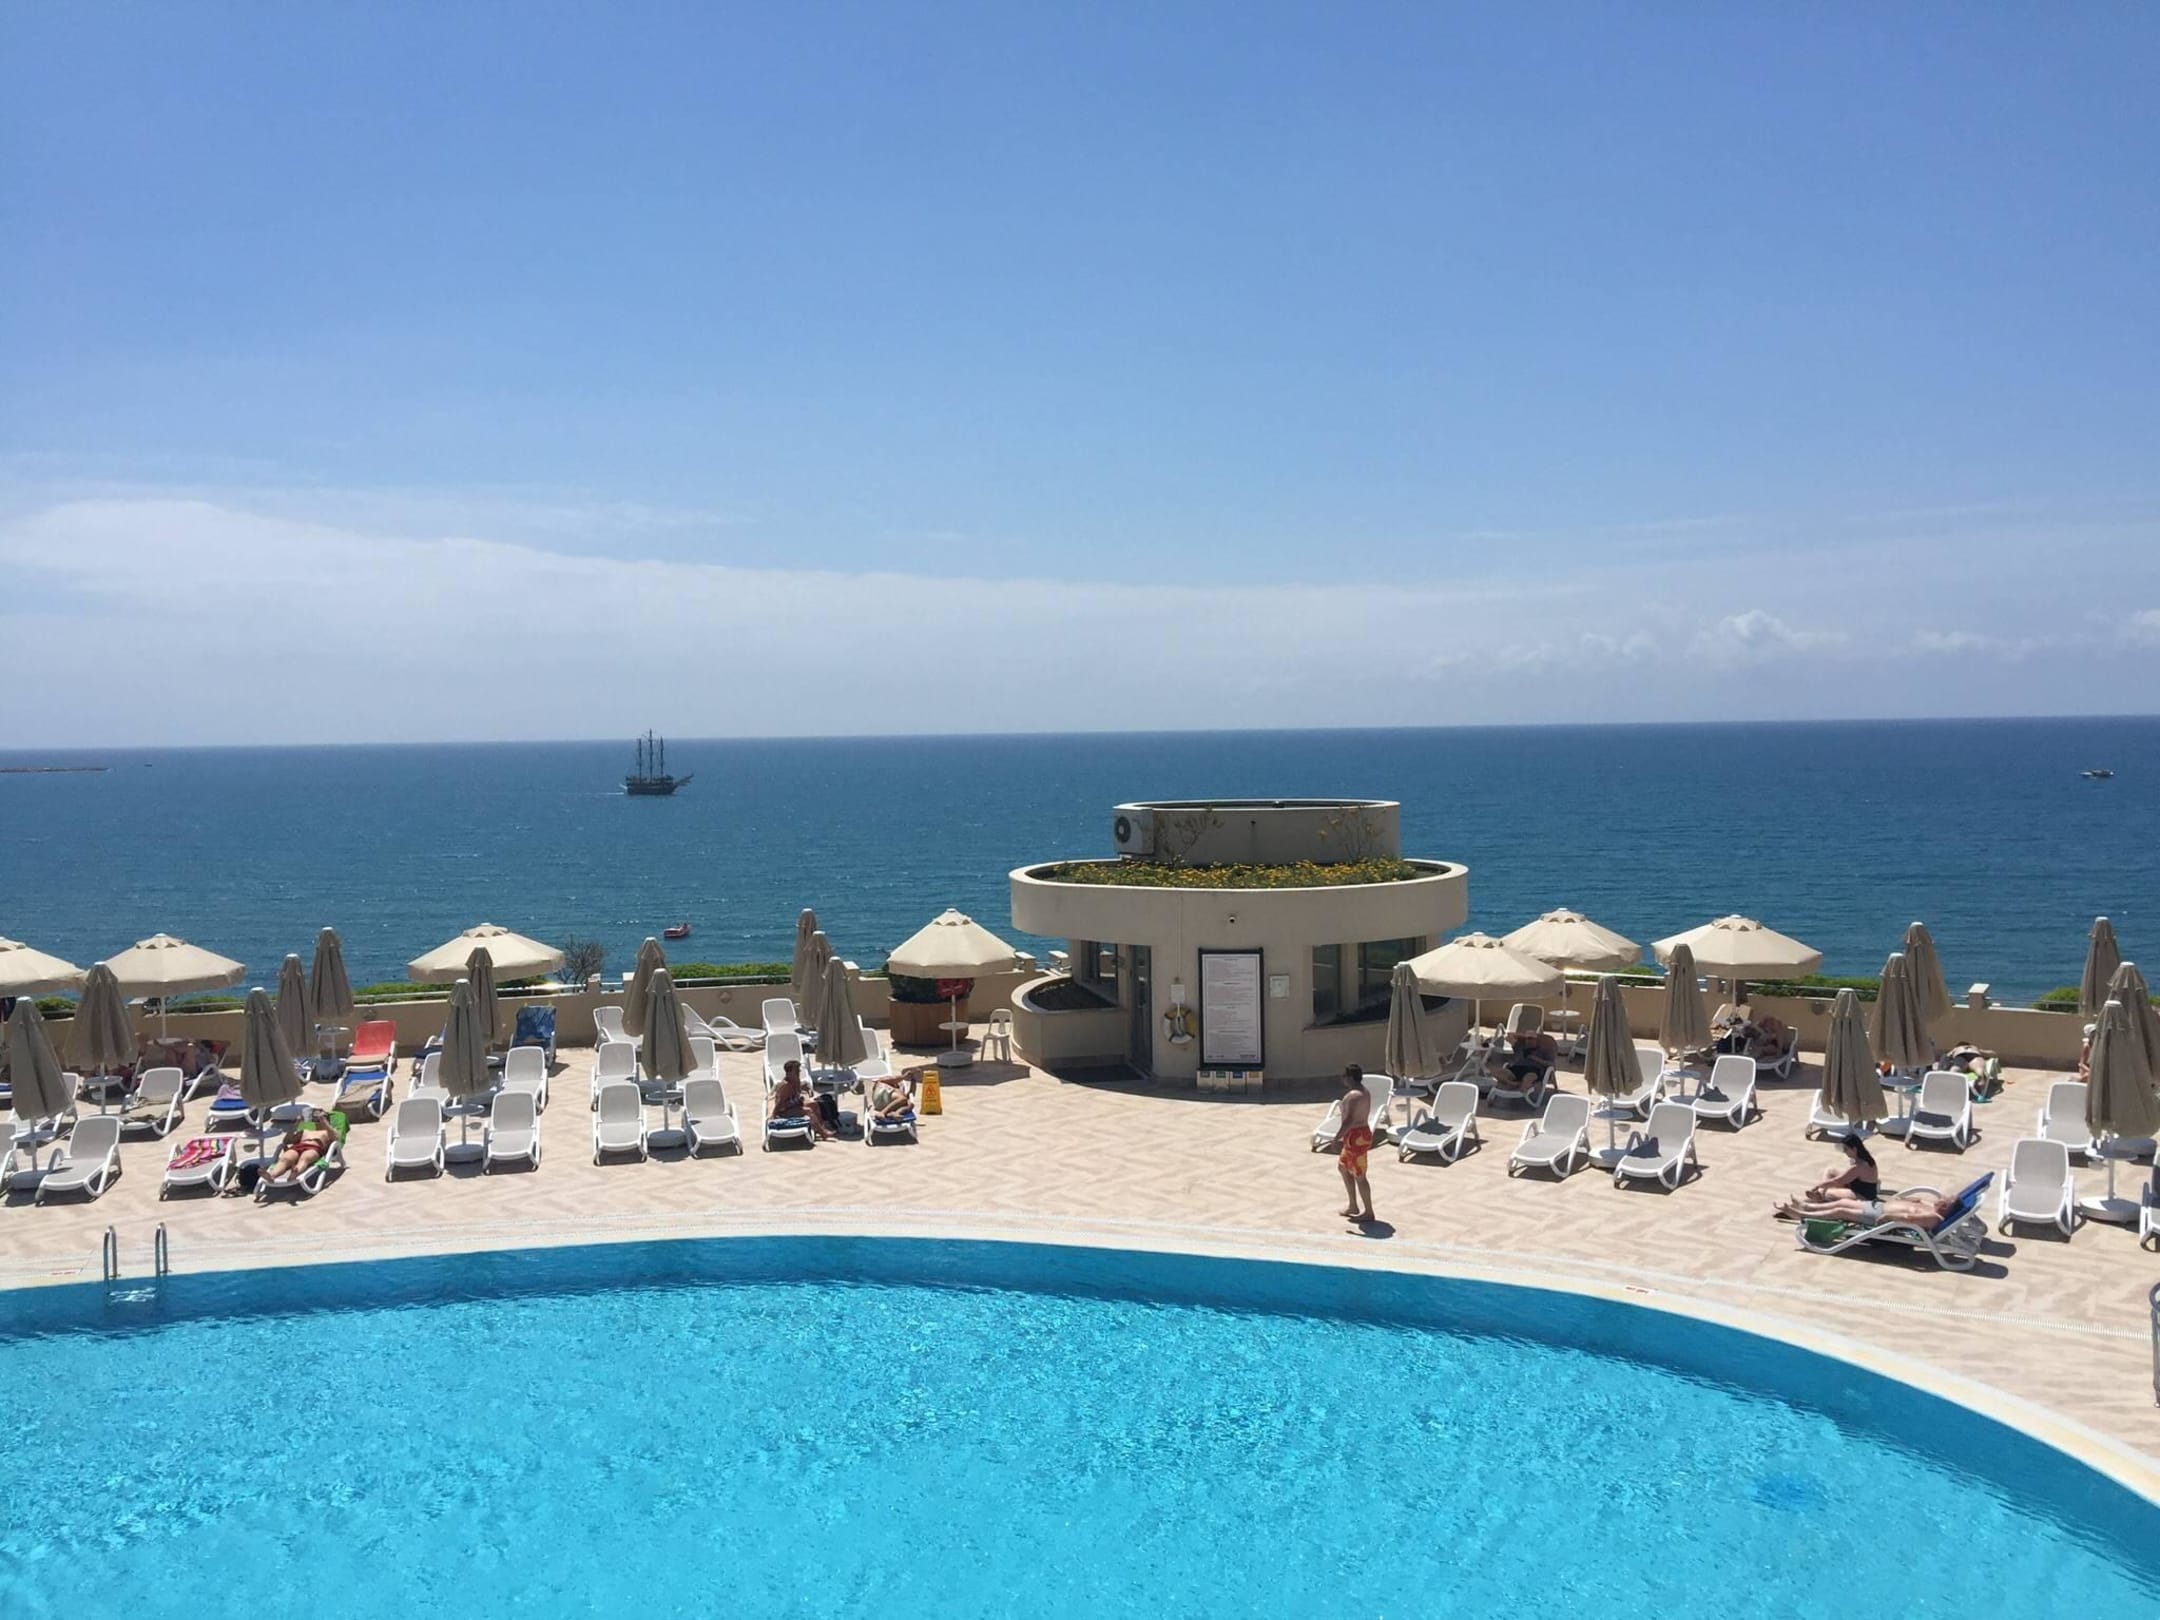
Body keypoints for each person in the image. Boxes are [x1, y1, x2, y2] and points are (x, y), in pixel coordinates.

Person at [1774, 1134, 1878, 1217]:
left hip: (1863, 1196)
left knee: (1829, 1193)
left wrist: (1818, 1186)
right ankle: (1819, 1195)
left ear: (1854, 1149)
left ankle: (1819, 1198)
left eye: (1846, 1149)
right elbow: (1845, 1177)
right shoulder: (1865, 1158)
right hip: (1858, 1186)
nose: (1844, 1152)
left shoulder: (1859, 1166)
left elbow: (1838, 1181)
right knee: (1830, 1171)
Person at [1782, 1186, 1963, 1233]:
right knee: (1842, 1202)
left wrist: (1888, 1216)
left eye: (1944, 1200)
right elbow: (1914, 1202)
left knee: (1841, 1211)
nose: (1940, 1198)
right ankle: (1808, 1206)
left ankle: (1802, 1215)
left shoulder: (1934, 1217)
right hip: (1879, 1206)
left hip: (1880, 1215)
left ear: (1946, 1208)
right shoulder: (1932, 1206)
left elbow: (1909, 1217)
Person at [1335, 1065, 1376, 1225]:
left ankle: (1369, 1212)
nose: (1342, 1079)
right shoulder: (1365, 1092)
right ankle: (1353, 1205)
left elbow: (1349, 1121)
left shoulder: (1353, 1096)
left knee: (1359, 1174)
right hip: (1359, 1135)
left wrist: (1336, 1138)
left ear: (1350, 1077)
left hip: (1356, 1137)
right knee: (1343, 1167)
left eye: (1344, 1076)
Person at [260, 1109, 337, 1189]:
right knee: (285, 1158)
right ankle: (271, 1175)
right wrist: (296, 1125)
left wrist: (325, 1123)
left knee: (305, 1157)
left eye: (322, 1117)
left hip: (314, 1148)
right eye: (316, 1117)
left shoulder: (327, 1132)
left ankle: (295, 1172)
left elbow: (335, 1138)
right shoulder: (305, 1131)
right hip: (298, 1146)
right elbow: (286, 1141)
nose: (318, 1119)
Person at [769, 1059, 834, 1141]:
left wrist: (801, 1090)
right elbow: (780, 1102)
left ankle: (820, 1127)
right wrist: (773, 1115)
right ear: (789, 1072)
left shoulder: (796, 1081)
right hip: (785, 1111)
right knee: (808, 1110)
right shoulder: (785, 1086)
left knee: (814, 1104)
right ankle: (823, 1133)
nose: (798, 1072)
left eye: (798, 1070)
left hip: (794, 1106)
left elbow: (797, 1094)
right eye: (796, 1070)